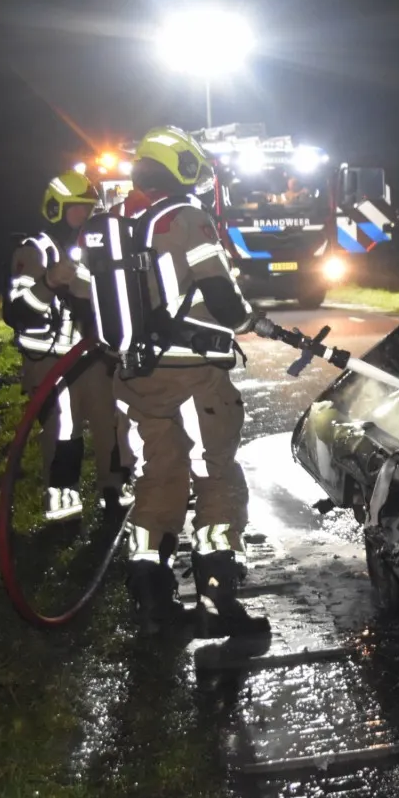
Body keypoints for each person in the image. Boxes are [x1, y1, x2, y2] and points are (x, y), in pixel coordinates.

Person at [112, 125, 271, 636]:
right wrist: (249, 320)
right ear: (182, 166)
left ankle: (153, 604)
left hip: (138, 377)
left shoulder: (124, 219)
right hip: (193, 379)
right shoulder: (187, 219)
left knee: (158, 481)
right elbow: (222, 299)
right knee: (216, 480)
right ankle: (219, 601)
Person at [4, 170, 130, 519]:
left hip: (90, 355)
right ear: (56, 208)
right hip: (48, 360)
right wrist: (48, 282)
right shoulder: (33, 251)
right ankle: (60, 492)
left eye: (88, 209)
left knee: (111, 418)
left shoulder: (91, 247)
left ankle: (115, 486)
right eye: (76, 209)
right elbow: (16, 312)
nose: (83, 216)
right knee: (64, 424)